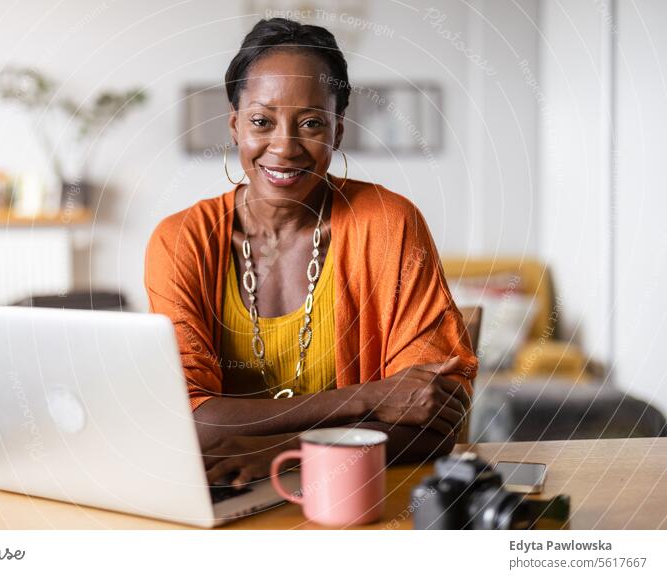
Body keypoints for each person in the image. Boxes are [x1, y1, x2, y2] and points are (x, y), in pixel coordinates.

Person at [145, 17, 477, 487]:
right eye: (262, 121)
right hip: (221, 496)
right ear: (236, 126)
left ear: (337, 132)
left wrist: (284, 454)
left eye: (311, 123)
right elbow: (193, 421)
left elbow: (433, 424)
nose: (284, 146)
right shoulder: (180, 240)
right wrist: (369, 399)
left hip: (356, 497)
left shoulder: (388, 223)